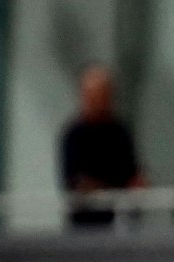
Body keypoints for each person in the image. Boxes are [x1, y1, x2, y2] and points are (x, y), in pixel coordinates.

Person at [60, 65, 144, 227]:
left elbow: (133, 175)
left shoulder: (120, 132)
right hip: (86, 225)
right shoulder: (74, 135)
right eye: (96, 96)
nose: (102, 101)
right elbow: (78, 184)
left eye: (106, 95)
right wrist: (113, 192)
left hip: (120, 223)